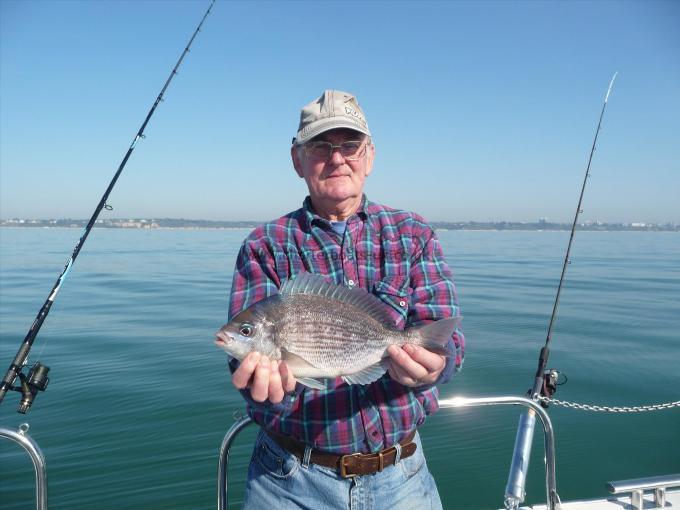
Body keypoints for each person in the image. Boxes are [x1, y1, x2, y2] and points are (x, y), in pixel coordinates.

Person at [227, 90, 464, 510]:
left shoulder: (414, 234)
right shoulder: (264, 246)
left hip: (402, 478)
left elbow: (449, 344)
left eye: (350, 146)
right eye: (320, 146)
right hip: (288, 482)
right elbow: (245, 366)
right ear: (297, 160)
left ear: (369, 157)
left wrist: (435, 366)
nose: (337, 158)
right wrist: (260, 386)